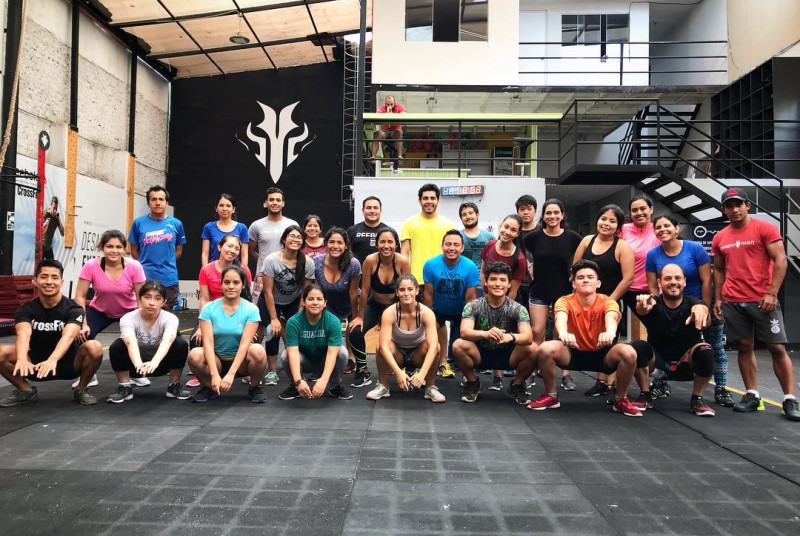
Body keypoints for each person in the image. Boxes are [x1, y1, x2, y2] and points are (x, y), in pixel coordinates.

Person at [711, 188, 799, 421]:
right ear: (724, 209)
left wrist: (772, 293)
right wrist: (718, 298)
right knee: (744, 346)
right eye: (730, 206)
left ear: (747, 205)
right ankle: (752, 395)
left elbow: (781, 259)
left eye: (739, 204)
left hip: (763, 300)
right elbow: (718, 269)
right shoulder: (720, 237)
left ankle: (789, 399)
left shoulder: (764, 228)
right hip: (733, 300)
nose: (735, 209)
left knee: (777, 348)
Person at [527, 260, 645, 417]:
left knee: (629, 352)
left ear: (598, 283)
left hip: (602, 353)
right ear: (574, 283)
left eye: (590, 277)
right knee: (545, 348)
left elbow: (611, 317)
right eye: (580, 278)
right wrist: (563, 333)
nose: (585, 280)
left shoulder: (608, 301)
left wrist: (610, 332)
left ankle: (620, 400)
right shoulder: (565, 300)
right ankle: (551, 396)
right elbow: (560, 318)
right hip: (573, 351)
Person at [645, 214, 732, 407]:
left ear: (676, 228)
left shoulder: (695, 249)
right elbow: (652, 286)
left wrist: (705, 308)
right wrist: (656, 309)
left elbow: (707, 281)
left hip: (699, 304)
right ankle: (660, 384)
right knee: (662, 344)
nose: (663, 230)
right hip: (670, 307)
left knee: (714, 346)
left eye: (667, 225)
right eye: (658, 227)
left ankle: (721, 389)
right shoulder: (652, 255)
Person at [0, 260, 103, 407]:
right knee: (1, 352)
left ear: (61, 282)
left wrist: (52, 359)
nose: (49, 282)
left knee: (94, 347)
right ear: (35, 281)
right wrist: (22, 358)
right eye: (44, 277)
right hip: (34, 365)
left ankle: (81, 389)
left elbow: (69, 335)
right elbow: (23, 334)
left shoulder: (74, 309)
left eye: (54, 277)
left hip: (69, 365)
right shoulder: (25, 309)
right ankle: (26, 391)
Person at [632, 264, 716, 417]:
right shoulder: (652, 302)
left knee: (706, 350)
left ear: (684, 281)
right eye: (668, 278)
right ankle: (645, 394)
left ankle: (697, 398)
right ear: (659, 282)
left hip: (686, 363)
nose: (673, 282)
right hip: (657, 364)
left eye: (678, 278)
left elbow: (704, 313)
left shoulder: (695, 303)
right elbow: (642, 309)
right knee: (637, 347)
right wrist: (642, 305)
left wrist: (701, 311)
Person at [453, 262, 538, 405]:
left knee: (534, 349)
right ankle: (473, 382)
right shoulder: (473, 306)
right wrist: (486, 334)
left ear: (509, 284)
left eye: (502, 280)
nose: (498, 284)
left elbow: (528, 337)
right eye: (493, 279)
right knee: (458, 345)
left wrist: (509, 337)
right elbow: (464, 332)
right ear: (486, 282)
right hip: (480, 354)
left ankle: (517, 385)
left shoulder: (518, 308)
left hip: (508, 355)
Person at [573, 205, 634, 397]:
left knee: (609, 341)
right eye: (603, 219)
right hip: (585, 302)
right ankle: (600, 382)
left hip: (610, 302)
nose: (606, 223)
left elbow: (628, 278)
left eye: (612, 221)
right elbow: (575, 270)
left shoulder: (622, 246)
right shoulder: (586, 241)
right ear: (597, 220)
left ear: (618, 226)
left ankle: (612, 383)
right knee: (593, 340)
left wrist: (609, 302)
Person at [74, 229, 146, 388]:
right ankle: (88, 375)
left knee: (136, 337)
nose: (114, 250)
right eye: (109, 246)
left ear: (124, 249)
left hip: (129, 310)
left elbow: (141, 297)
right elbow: (79, 296)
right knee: (81, 336)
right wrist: (82, 323)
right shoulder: (91, 266)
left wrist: (140, 321)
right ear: (102, 247)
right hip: (100, 310)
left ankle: (136, 373)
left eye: (118, 247)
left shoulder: (134, 266)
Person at [523, 198, 582, 390]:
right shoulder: (533, 238)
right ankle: (531, 372)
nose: (552, 216)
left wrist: (575, 276)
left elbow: (580, 260)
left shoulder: (573, 238)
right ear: (543, 216)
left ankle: (565, 375)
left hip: (563, 293)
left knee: (561, 334)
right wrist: (530, 268)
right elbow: (524, 256)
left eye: (556, 212)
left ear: (562, 215)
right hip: (538, 290)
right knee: (537, 332)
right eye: (548, 213)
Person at [187, 265, 267, 403]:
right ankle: (209, 388)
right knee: (194, 355)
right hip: (217, 361)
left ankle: (255, 387)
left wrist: (230, 375)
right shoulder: (209, 308)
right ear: (221, 284)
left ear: (243, 285)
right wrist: (214, 375)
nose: (231, 286)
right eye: (227, 282)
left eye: (236, 282)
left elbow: (245, 344)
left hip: (241, 363)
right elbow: (208, 343)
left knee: (258, 351)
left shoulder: (251, 309)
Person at [106, 280, 191, 404]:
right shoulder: (128, 318)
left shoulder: (170, 318)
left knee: (180, 344)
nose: (151, 302)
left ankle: (174, 386)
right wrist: (138, 364)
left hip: (160, 364)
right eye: (147, 297)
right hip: (136, 367)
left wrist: (154, 362)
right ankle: (125, 387)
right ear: (139, 299)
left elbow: (168, 340)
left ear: (163, 302)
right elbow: (130, 342)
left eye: (157, 298)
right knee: (117, 345)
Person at [366, 274, 442, 402]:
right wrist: (398, 372)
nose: (406, 293)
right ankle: (383, 386)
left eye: (410, 289)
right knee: (380, 347)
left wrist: (422, 373)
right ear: (397, 292)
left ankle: (430, 387)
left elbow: (433, 346)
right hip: (398, 356)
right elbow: (383, 347)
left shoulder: (426, 313)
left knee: (436, 347)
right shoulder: (390, 312)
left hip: (418, 355)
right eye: (402, 290)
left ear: (416, 291)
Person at [189, 234, 253, 388]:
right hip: (212, 316)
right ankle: (204, 375)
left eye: (236, 248)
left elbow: (247, 297)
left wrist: (248, 324)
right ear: (219, 247)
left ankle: (246, 371)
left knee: (253, 343)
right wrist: (200, 326)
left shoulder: (244, 270)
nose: (232, 250)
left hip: (237, 315)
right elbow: (204, 299)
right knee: (196, 340)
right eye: (229, 246)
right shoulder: (206, 270)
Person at [261, 225, 316, 387]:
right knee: (272, 331)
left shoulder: (308, 262)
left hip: (293, 301)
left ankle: (295, 367)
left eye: (299, 237)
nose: (295, 239)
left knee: (295, 333)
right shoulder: (271, 260)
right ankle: (272, 371)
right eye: (292, 236)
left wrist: (300, 311)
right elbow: (268, 292)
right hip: (271, 300)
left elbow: (306, 291)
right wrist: (274, 318)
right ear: (284, 239)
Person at [278, 285, 353, 401]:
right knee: (285, 355)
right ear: (304, 302)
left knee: (342, 352)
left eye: (319, 299)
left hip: (324, 361)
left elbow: (332, 353)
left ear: (325, 303)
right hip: (304, 360)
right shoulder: (293, 322)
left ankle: (335, 386)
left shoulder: (333, 321)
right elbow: (293, 353)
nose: (315, 303)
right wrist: (298, 381)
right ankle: (296, 386)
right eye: (310, 299)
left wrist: (324, 379)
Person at [423, 230, 480, 380]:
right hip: (438, 309)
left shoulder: (470, 267)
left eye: (456, 245)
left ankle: (468, 375)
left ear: (462, 248)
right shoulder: (430, 264)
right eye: (448, 244)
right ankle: (440, 364)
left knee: (463, 341)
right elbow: (428, 295)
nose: (452, 248)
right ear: (442, 246)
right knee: (427, 334)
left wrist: (468, 325)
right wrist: (428, 319)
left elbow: (470, 299)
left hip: (461, 310)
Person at [313, 228, 367, 386]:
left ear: (346, 245)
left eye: (339, 243)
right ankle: (322, 364)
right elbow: (315, 289)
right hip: (328, 303)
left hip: (349, 301)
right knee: (324, 332)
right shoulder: (316, 262)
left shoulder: (353, 264)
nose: (335, 246)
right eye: (332, 242)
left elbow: (353, 292)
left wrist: (355, 317)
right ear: (326, 243)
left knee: (354, 330)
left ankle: (355, 363)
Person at [479, 214, 527, 387]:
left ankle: (513, 381)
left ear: (517, 234)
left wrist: (500, 308)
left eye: (513, 230)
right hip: (486, 298)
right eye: (506, 227)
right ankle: (494, 376)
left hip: (506, 303)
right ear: (500, 226)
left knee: (502, 336)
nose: (507, 232)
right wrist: (486, 297)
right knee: (485, 334)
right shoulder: (490, 245)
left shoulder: (519, 259)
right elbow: (483, 271)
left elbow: (513, 290)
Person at [355, 228, 412, 369]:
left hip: (396, 307)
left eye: (390, 242)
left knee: (408, 333)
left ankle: (403, 366)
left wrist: (407, 315)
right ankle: (362, 369)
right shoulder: (370, 261)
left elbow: (408, 291)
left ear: (396, 244)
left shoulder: (402, 262)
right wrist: (360, 317)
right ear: (376, 244)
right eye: (382, 242)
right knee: (355, 331)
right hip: (374, 304)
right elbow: (365, 290)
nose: (386, 246)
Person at [249, 187, 298, 343]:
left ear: (283, 203)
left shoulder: (292, 224)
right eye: (271, 200)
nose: (275, 203)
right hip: (262, 279)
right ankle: (254, 353)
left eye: (278, 200)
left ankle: (290, 355)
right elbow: (252, 251)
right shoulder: (256, 226)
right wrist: (267, 267)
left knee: (285, 323)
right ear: (266, 203)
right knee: (258, 320)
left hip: (286, 279)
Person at [128, 185, 186, 309]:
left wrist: (166, 263)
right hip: (144, 278)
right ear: (148, 203)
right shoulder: (138, 223)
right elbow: (134, 252)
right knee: (144, 313)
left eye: (161, 199)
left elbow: (178, 252)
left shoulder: (176, 224)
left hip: (169, 278)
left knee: (167, 315)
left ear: (167, 203)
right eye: (154, 199)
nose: (158, 202)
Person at [401, 183, 454, 285]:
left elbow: (453, 253)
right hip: (416, 281)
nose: (429, 201)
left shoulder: (448, 225)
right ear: (419, 201)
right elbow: (404, 254)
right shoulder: (409, 223)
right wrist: (406, 279)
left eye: (432, 198)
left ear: (438, 200)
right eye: (425, 198)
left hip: (443, 279)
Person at [200, 193, 249, 266]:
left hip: (234, 270)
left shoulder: (242, 228)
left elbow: (244, 255)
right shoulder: (208, 227)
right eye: (221, 205)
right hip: (213, 269)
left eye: (228, 206)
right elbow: (205, 254)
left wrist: (243, 271)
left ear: (233, 209)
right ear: (216, 208)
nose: (224, 209)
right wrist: (205, 271)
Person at [347, 196, 394, 264]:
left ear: (380, 211)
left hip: (382, 270)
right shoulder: (352, 231)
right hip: (357, 270)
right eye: (368, 208)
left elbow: (396, 256)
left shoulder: (389, 232)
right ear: (363, 210)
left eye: (375, 208)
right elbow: (346, 254)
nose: (372, 211)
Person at [514, 194, 539, 308]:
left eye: (529, 209)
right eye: (522, 209)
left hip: (537, 283)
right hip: (516, 283)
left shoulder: (542, 231)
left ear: (535, 211)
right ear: (517, 212)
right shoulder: (513, 232)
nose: (525, 212)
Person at [371, 95, 406, 162]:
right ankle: (373, 156)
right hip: (385, 130)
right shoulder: (381, 108)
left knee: (398, 133)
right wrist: (386, 114)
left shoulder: (399, 106)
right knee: (376, 134)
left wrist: (393, 115)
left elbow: (404, 114)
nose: (389, 106)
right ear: (385, 103)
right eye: (387, 104)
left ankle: (399, 155)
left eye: (391, 104)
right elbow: (377, 115)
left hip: (395, 130)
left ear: (394, 103)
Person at [459, 202, 494, 267]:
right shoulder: (457, 237)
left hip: (484, 273)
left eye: (470, 213)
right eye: (464, 214)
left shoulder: (489, 237)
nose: (468, 217)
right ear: (461, 219)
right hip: (462, 273)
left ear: (477, 215)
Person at [42, 196, 64, 260]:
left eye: (56, 208)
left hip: (49, 248)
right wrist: (47, 221)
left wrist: (59, 220)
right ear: (51, 205)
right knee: (40, 265)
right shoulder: (45, 214)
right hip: (42, 246)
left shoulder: (56, 218)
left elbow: (62, 233)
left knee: (52, 265)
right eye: (54, 208)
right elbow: (42, 231)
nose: (54, 210)